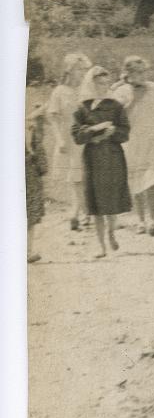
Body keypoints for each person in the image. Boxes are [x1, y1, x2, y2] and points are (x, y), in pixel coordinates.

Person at [71, 66, 132, 258]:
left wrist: (113, 132)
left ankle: (111, 232)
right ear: (91, 84)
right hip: (92, 158)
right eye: (98, 84)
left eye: (106, 84)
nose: (102, 88)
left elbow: (125, 131)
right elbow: (76, 135)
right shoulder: (82, 107)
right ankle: (101, 246)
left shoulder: (116, 106)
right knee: (96, 203)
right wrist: (94, 131)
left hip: (113, 156)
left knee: (111, 200)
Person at [112, 56, 154, 235]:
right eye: (137, 72)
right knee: (135, 180)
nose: (142, 75)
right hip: (131, 140)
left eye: (144, 71)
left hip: (152, 138)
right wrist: (132, 101)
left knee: (152, 179)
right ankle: (140, 220)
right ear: (128, 73)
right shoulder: (122, 91)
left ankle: (152, 218)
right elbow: (116, 116)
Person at [45, 52, 92, 230]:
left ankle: (81, 212)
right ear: (70, 70)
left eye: (84, 70)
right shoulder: (59, 91)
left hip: (85, 137)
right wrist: (59, 139)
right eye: (79, 69)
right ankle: (78, 212)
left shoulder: (86, 91)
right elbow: (53, 117)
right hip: (69, 139)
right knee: (75, 178)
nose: (82, 73)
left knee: (84, 176)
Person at [26, 104, 47, 263]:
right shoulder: (32, 131)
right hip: (29, 174)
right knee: (29, 216)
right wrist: (42, 168)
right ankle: (27, 252)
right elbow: (40, 158)